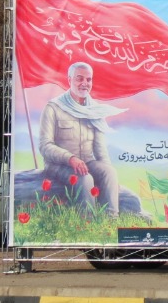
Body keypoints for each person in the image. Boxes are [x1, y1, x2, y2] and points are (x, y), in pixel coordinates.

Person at [38, 62, 124, 217]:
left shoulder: (95, 110)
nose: (85, 83)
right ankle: (87, 222)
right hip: (59, 165)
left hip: (87, 162)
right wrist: (70, 159)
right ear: (69, 80)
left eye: (88, 79)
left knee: (110, 172)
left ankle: (111, 221)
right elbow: (45, 146)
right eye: (79, 78)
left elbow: (100, 150)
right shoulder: (53, 108)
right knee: (85, 179)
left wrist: (110, 176)